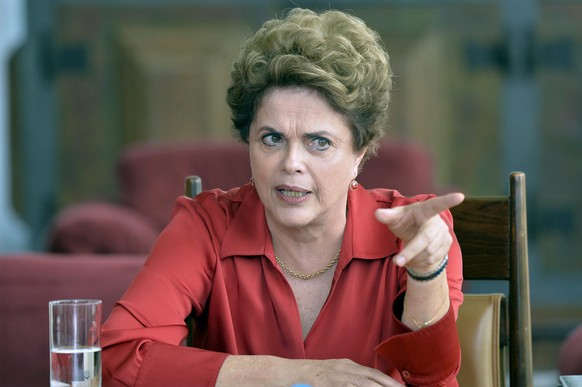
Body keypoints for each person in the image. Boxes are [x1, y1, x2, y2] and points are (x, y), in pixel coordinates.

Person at [101, 8, 465, 386]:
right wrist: (295, 375)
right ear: (248, 142)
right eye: (272, 138)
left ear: (360, 153)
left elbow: (431, 378)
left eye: (319, 143)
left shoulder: (417, 231)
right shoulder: (206, 225)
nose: (291, 163)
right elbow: (121, 355)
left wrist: (427, 271)